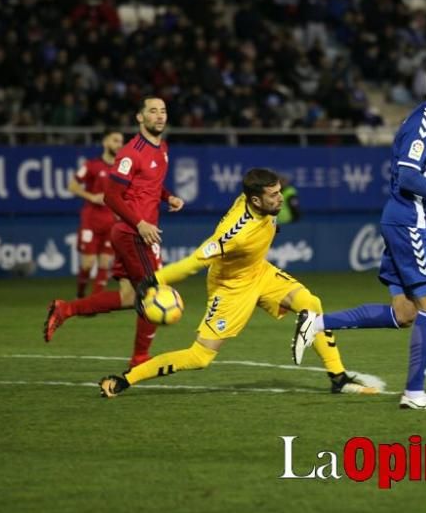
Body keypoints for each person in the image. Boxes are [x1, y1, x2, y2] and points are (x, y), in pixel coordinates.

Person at [291, 51, 426, 410]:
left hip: (402, 220)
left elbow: (412, 174)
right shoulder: (425, 119)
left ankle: (316, 323)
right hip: (409, 222)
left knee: (406, 312)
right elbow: (408, 176)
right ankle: (414, 394)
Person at [97, 168, 377, 397]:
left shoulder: (261, 204)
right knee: (200, 357)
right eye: (274, 195)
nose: (280, 199)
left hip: (259, 272)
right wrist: (154, 280)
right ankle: (127, 379)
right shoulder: (234, 234)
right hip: (231, 286)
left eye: (280, 192)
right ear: (256, 201)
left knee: (311, 304)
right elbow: (196, 261)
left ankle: (338, 378)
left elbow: (266, 216)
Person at [44, 98, 184, 368]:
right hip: (134, 233)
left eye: (163, 111)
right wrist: (140, 224)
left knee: (128, 297)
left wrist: (168, 197)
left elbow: (150, 186)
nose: (159, 116)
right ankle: (140, 358)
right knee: (153, 293)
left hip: (138, 232)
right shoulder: (131, 153)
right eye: (152, 111)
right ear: (140, 118)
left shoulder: (162, 147)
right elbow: (111, 196)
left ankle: (66, 309)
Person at [68, 129, 124, 297]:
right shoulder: (91, 165)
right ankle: (80, 293)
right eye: (115, 140)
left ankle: (95, 302)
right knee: (88, 263)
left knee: (105, 263)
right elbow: (72, 186)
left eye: (121, 142)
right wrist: (91, 196)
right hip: (91, 219)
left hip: (111, 220)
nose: (119, 145)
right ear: (105, 142)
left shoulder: (122, 169)